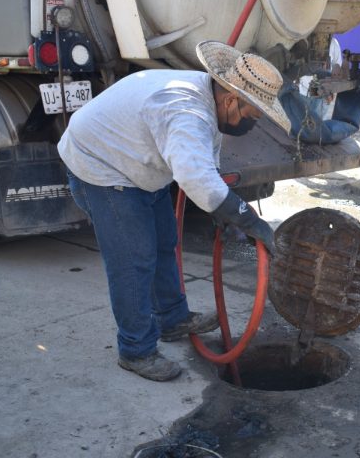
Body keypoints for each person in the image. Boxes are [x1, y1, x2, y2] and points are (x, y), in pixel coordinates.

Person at [58, 41, 292, 382]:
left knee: (165, 242)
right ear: (230, 98)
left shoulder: (208, 99)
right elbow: (198, 179)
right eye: (250, 115)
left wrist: (221, 213)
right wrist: (249, 220)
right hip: (102, 166)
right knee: (133, 260)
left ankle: (171, 317)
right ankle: (136, 351)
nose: (250, 125)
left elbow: (204, 165)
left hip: (136, 161)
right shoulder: (187, 111)